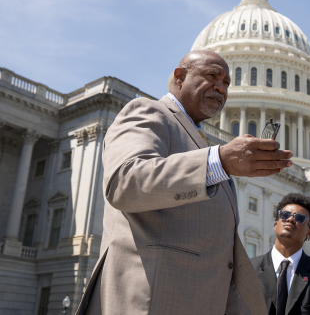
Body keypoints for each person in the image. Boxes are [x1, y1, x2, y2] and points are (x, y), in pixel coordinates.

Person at [76, 50, 293, 315]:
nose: (221, 87)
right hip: (151, 300)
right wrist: (221, 160)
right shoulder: (149, 112)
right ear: (179, 77)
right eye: (212, 76)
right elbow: (125, 181)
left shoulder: (200, 142)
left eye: (226, 83)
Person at [250, 193, 310, 315]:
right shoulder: (247, 270)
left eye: (299, 218)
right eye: (284, 215)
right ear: (275, 225)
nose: (290, 219)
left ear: (309, 233)